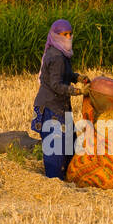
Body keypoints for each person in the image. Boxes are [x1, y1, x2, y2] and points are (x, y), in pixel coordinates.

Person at [32, 19, 91, 179]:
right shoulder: (57, 56)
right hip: (51, 108)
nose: (68, 37)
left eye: (70, 34)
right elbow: (56, 84)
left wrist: (76, 77)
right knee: (56, 151)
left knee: (69, 147)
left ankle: (67, 180)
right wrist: (78, 90)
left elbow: (64, 74)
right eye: (64, 34)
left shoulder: (61, 53)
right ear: (55, 35)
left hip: (60, 107)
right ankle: (55, 184)